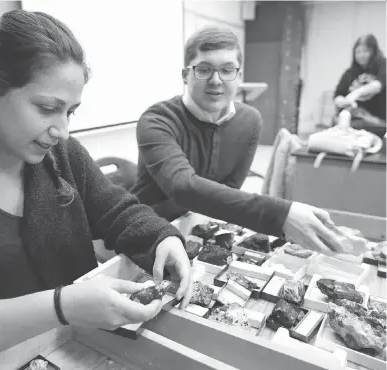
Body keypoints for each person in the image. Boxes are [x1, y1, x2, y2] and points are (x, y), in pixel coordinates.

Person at [0, 10, 191, 369]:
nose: (62, 131)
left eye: (69, 112)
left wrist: (163, 239)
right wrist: (63, 305)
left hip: (77, 349)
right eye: (47, 108)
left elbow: (117, 210)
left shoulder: (60, 154)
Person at [131, 26, 345, 255]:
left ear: (239, 76)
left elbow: (230, 187)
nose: (216, 80)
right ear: (185, 75)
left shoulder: (250, 121)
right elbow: (182, 187)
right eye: (203, 69)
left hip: (200, 230)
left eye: (227, 70)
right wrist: (280, 215)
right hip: (147, 235)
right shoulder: (157, 120)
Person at [333, 34, 386, 137]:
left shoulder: (383, 65)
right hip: (355, 117)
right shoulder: (350, 72)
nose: (361, 55)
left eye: (366, 51)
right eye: (358, 52)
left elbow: (379, 85)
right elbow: (337, 96)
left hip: (378, 121)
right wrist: (344, 102)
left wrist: (356, 93)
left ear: (374, 52)